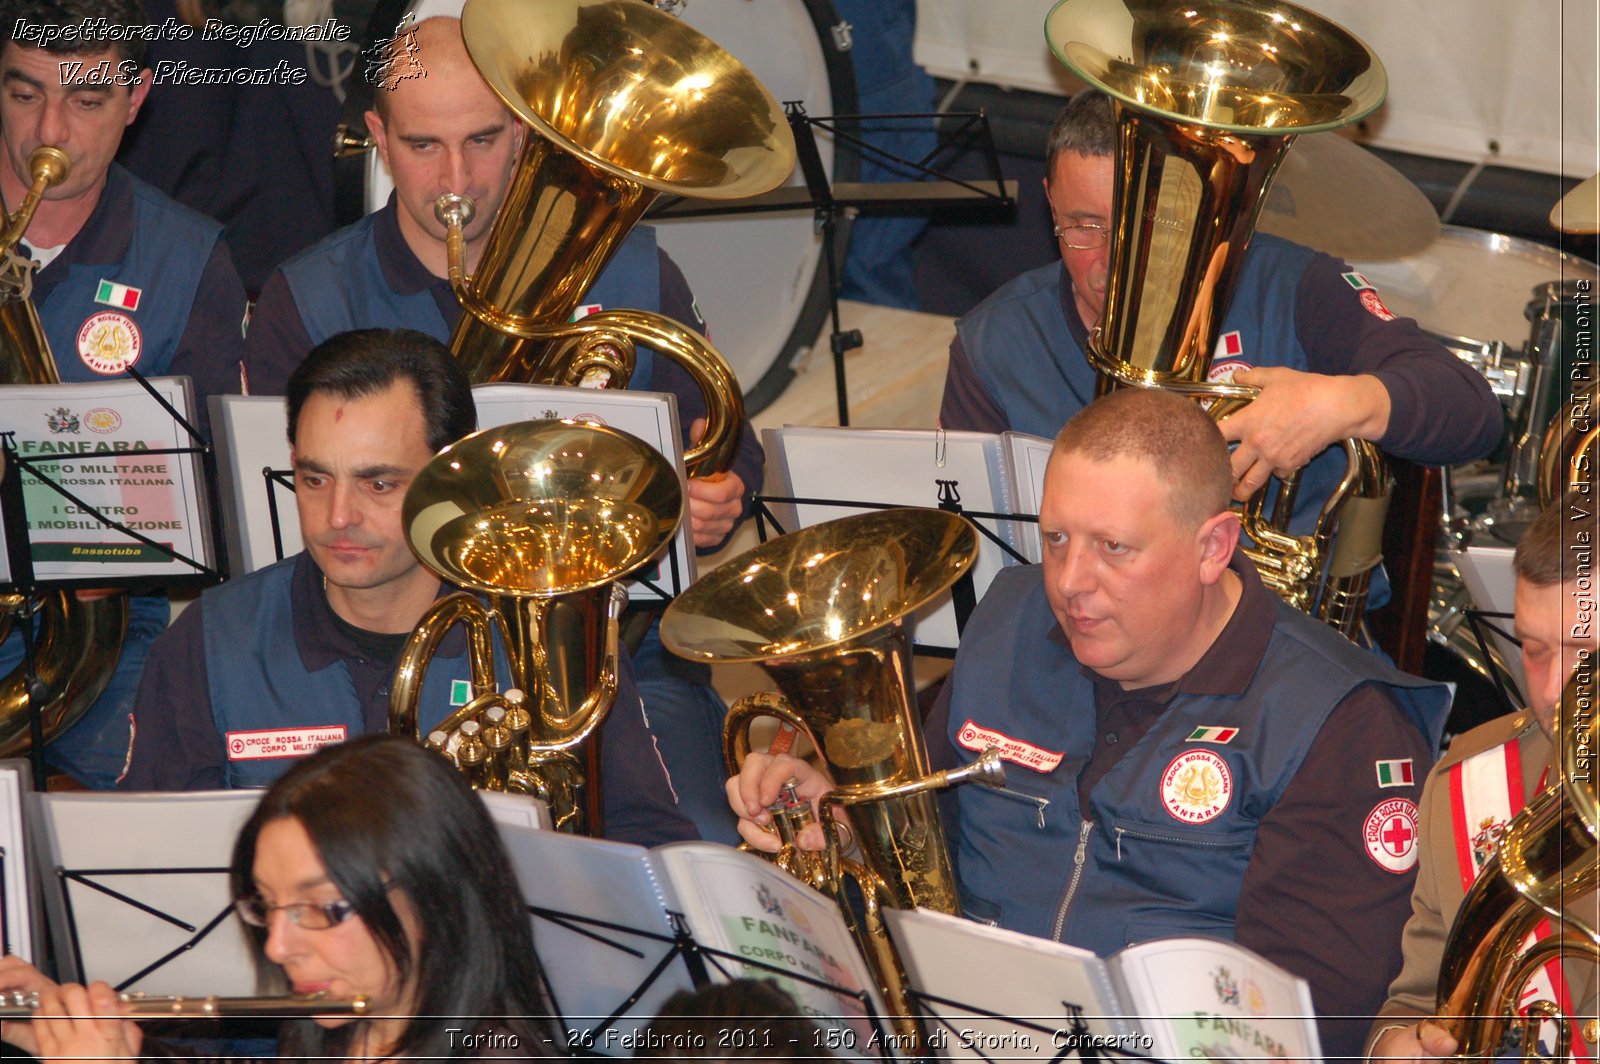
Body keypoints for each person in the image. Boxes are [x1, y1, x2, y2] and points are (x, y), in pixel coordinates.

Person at [729, 388, 1454, 1059]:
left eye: (1113, 548)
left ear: (1213, 548)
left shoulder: (1340, 724)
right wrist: (835, 814)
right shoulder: (1009, 620)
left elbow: (1307, 1026)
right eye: (1055, 540)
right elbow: (922, 838)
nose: (1070, 582)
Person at [242, 15, 758, 843]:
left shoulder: (633, 267)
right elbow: (283, 523)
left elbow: (732, 445)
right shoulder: (308, 298)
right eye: (422, 146)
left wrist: (714, 494)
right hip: (391, 652)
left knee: (695, 849)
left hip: (617, 649)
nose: (458, 178)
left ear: (524, 129)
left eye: (484, 138)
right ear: (376, 138)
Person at [121, 328, 695, 847]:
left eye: (378, 483)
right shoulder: (209, 639)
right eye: (315, 478)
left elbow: (645, 836)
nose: (337, 515)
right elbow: (152, 855)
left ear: (450, 476)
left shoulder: (551, 635)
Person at [939, 91, 1501, 551]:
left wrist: (1340, 403)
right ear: (1049, 201)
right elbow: (976, 557)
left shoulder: (1295, 286)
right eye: (1083, 225)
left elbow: (1472, 411)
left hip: (1280, 652)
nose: (1117, 259)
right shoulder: (994, 344)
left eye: (1149, 225)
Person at [0, 0, 248, 788]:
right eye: (24, 93)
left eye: (86, 99)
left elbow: (217, 497)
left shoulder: (188, 259)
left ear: (136, 97)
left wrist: (133, 545)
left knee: (178, 787)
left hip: (104, 631)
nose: (50, 133)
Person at [2, 734, 555, 1061]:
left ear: (436, 897)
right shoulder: (349, 1026)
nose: (276, 948)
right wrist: (83, 1030)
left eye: (319, 908)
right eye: (267, 906)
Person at [1366, 495, 1598, 1061]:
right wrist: (1399, 1047)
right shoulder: (1471, 785)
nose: (1551, 692)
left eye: (1587, 656)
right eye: (1537, 651)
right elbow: (1416, 1005)